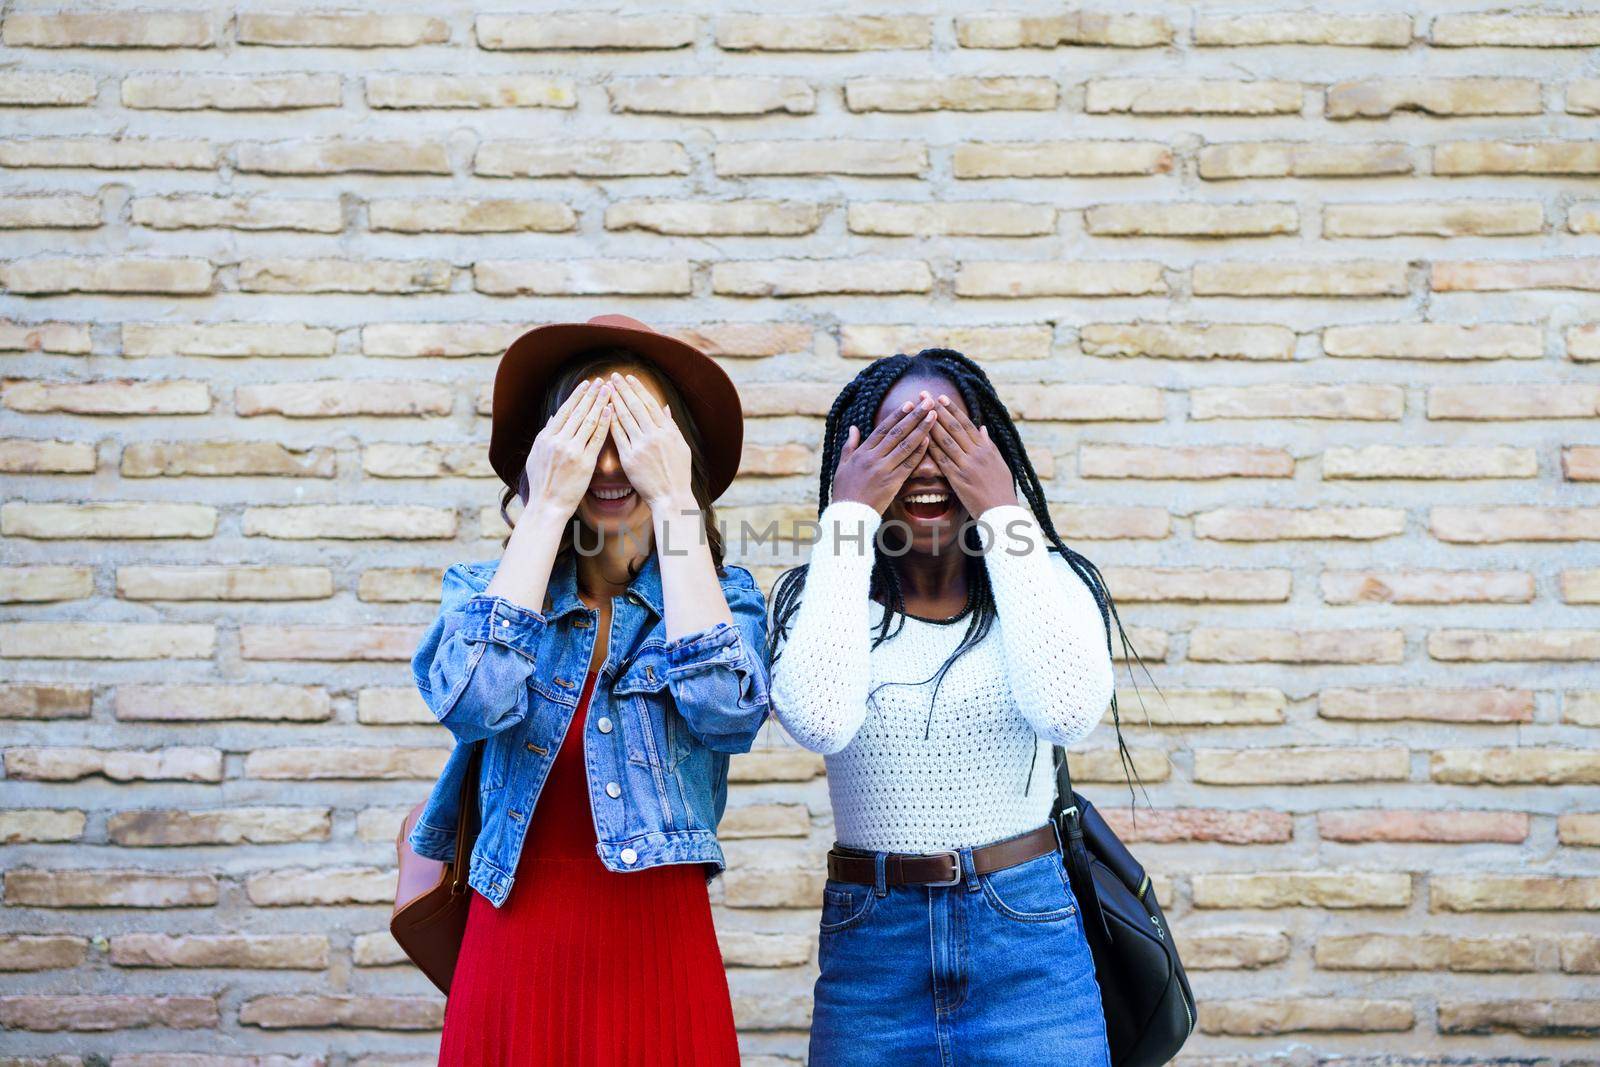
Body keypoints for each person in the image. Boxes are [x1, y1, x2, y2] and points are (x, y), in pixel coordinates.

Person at [407, 313, 770, 1065]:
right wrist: (543, 509)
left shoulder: (720, 599)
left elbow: (728, 714)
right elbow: (472, 701)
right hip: (514, 953)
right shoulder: (484, 591)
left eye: (635, 437)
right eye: (586, 435)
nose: (610, 464)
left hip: (661, 959)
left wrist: (675, 506)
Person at [770, 348, 1131, 1066]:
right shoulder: (823, 597)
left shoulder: (1050, 579)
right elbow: (816, 718)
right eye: (900, 440)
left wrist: (1005, 513)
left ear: (988, 449)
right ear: (857, 454)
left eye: (949, 440)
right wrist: (847, 519)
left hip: (1028, 944)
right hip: (875, 951)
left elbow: (1066, 711)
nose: (927, 465)